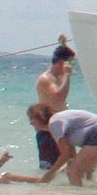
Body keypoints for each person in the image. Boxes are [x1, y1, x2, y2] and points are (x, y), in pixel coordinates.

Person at [27, 103, 97, 185]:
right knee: (87, 172)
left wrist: (48, 176)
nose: (30, 123)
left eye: (31, 118)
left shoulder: (54, 124)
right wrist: (61, 169)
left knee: (73, 172)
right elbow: (70, 156)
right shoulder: (59, 120)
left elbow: (64, 156)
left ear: (40, 117)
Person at [32, 43, 75, 175]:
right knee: (50, 168)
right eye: (70, 64)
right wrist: (67, 75)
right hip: (48, 131)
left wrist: (63, 44)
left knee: (71, 162)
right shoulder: (46, 79)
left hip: (61, 129)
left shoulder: (57, 77)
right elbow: (59, 96)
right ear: (62, 63)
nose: (72, 67)